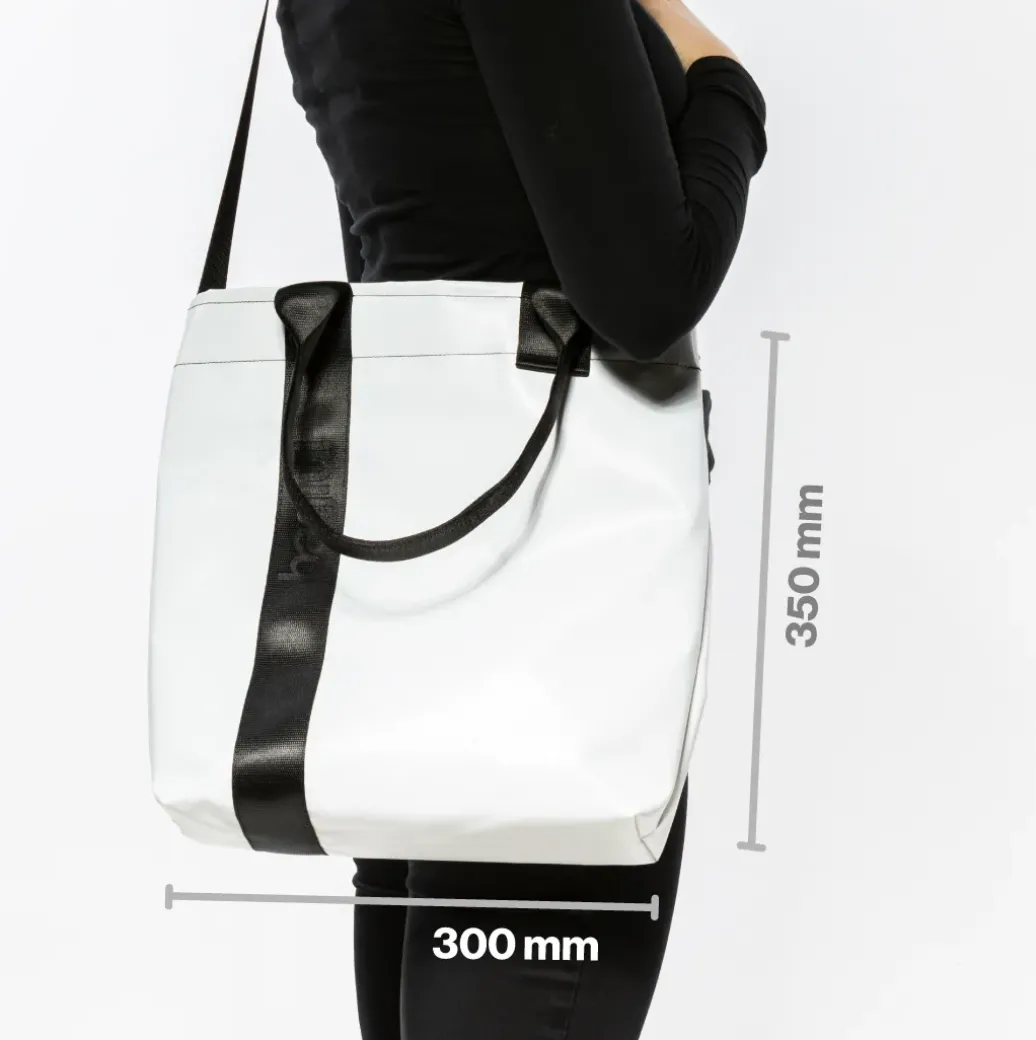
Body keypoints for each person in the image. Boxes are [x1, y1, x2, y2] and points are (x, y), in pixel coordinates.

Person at [274, 1, 767, 1037]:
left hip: (411, 592)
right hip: (551, 623)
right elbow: (647, 295)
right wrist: (726, 88)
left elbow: (409, 252)